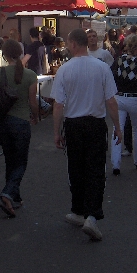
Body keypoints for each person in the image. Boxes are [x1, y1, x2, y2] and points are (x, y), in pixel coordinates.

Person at [52, 28, 121, 241]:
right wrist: (118, 126)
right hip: (95, 123)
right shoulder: (101, 67)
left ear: (73, 44)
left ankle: (79, 209)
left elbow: (58, 104)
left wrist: (56, 131)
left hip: (73, 124)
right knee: (95, 169)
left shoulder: (64, 70)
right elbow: (111, 100)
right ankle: (91, 214)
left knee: (76, 167)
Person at [0, 40, 38, 218]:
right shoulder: (30, 75)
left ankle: (15, 196)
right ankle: (8, 192)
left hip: (3, 122)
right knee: (20, 162)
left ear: (4, 54)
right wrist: (36, 116)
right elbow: (33, 102)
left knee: (10, 160)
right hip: (21, 121)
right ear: (20, 53)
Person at [110, 35, 137, 175]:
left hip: (119, 98)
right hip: (135, 98)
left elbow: (112, 77)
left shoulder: (118, 61)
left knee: (117, 129)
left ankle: (115, 164)